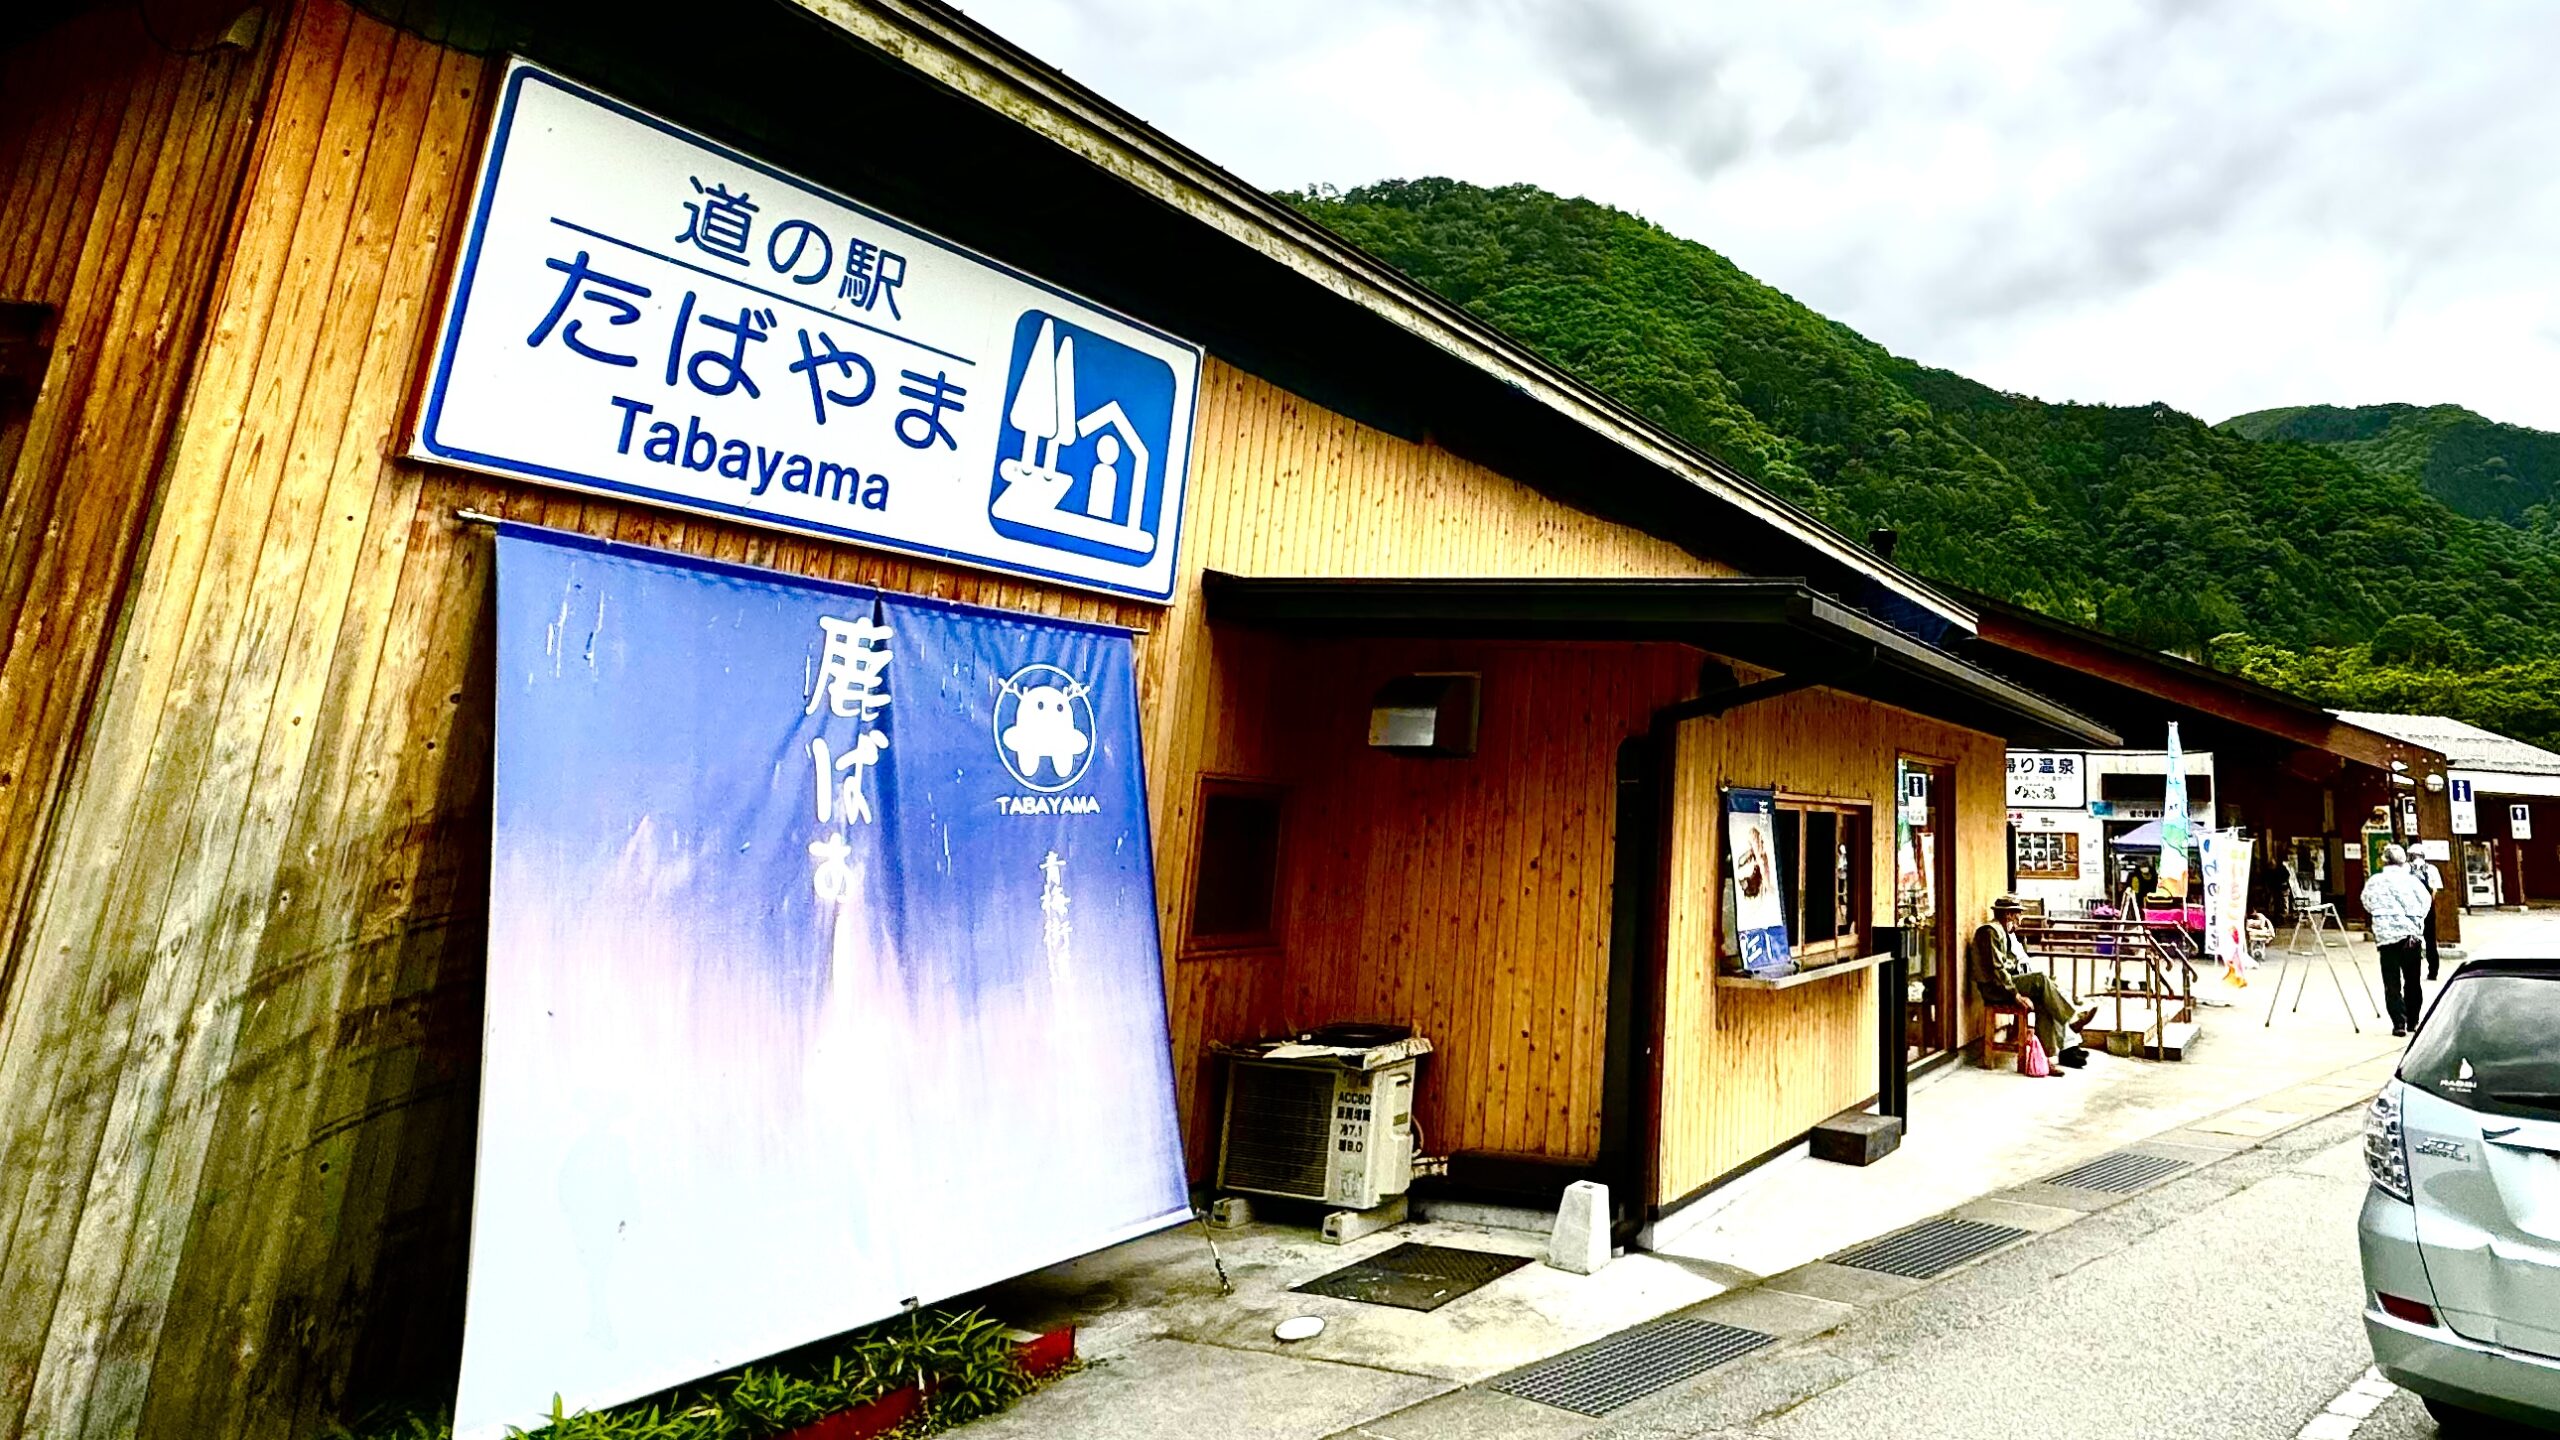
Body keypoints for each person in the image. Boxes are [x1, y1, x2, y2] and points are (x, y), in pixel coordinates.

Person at [1970, 896, 2096, 1074]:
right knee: (2040, 979)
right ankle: (2072, 1019)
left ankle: (2046, 1060)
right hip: (1994, 989)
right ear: (2008, 915)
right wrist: (2016, 995)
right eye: (2018, 915)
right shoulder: (1990, 932)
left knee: (2044, 1001)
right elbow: (1997, 970)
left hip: (2004, 985)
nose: (2020, 921)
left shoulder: (2004, 932)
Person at [2360, 844, 2432, 1037]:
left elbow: (2366, 902)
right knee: (2412, 980)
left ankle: (2398, 1022)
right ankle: (2413, 1021)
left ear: (2384, 860)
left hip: (2386, 936)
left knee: (2391, 982)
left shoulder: (2375, 881)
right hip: (2411, 936)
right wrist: (2414, 921)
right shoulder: (2413, 881)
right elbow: (2426, 902)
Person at [2405, 842, 2444, 980]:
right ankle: (2433, 971)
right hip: (2427, 908)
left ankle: (2412, 972)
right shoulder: (2432, 869)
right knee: (2430, 940)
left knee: (2412, 940)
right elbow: (2434, 891)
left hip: (2410, 910)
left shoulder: (2405, 869)